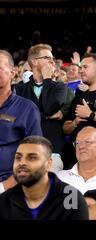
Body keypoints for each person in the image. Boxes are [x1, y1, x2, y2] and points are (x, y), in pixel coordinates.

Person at [0, 136, 88, 220]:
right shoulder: (4, 201)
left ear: (49, 163)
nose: (22, 162)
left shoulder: (71, 198)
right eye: (18, 157)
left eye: (32, 158)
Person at [15, 44, 68, 167]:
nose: (52, 61)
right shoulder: (19, 89)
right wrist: (46, 117)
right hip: (25, 151)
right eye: (47, 57)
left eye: (52, 58)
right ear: (34, 61)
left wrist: (48, 79)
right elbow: (21, 118)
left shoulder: (59, 87)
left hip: (52, 152)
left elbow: (48, 107)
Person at [0, 50, 42, 194]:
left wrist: (6, 185)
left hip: (12, 186)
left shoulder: (27, 109)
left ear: (13, 73)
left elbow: (36, 153)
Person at [62, 53, 96, 168]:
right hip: (75, 159)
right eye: (80, 68)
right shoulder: (79, 97)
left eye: (85, 67)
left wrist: (91, 114)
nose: (81, 71)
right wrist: (75, 122)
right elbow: (65, 128)